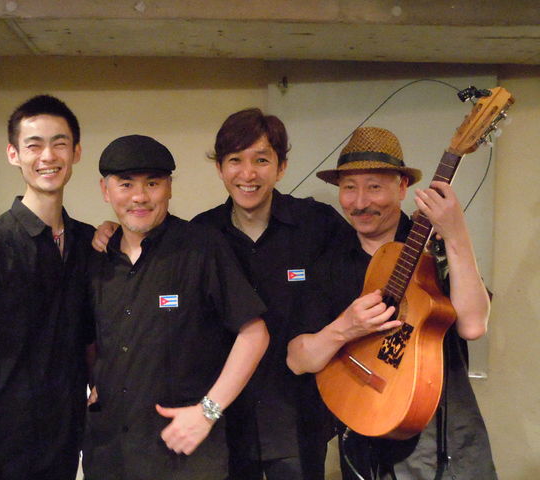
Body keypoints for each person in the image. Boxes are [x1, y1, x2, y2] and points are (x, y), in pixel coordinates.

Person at [286, 126, 497, 479]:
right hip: (364, 440)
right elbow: (297, 359)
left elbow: (473, 325)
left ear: (402, 187)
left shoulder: (437, 250)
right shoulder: (330, 264)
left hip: (443, 437)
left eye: (374, 187)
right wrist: (345, 328)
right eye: (349, 188)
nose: (360, 203)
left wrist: (457, 233)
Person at [83, 134, 270, 480]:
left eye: (152, 183)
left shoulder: (202, 247)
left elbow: (254, 334)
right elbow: (89, 339)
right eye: (126, 184)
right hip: (110, 455)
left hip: (185, 457)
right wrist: (94, 382)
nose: (140, 196)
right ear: (105, 190)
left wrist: (208, 411)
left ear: (169, 188)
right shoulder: (96, 259)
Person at [191, 108, 350, 480]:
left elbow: (365, 270)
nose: (248, 174)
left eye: (261, 160)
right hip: (225, 425)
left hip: (301, 420)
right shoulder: (200, 235)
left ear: (281, 168)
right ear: (220, 168)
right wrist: (110, 232)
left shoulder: (318, 223)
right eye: (235, 160)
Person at [0, 94, 95, 480]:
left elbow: (89, 336)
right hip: (7, 443)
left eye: (59, 143)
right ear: (13, 154)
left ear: (76, 152)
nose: (48, 156)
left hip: (67, 438)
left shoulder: (86, 242)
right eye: (34, 145)